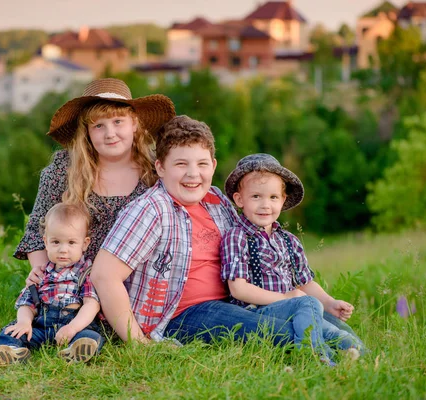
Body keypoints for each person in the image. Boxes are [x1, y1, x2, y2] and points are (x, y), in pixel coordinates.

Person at [90, 116, 297, 346]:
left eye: (202, 164)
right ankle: (335, 349)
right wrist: (138, 343)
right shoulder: (152, 209)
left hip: (234, 303)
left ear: (213, 166)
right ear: (160, 167)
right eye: (181, 164)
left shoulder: (216, 199)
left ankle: (342, 343)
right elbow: (104, 275)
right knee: (278, 331)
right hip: (181, 316)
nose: (193, 174)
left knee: (306, 311)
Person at [14, 78, 175, 286]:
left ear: (134, 123)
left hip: (140, 287)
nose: (110, 134)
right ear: (87, 132)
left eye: (118, 122)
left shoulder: (157, 172)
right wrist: (43, 273)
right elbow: (37, 230)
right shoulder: (64, 170)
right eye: (99, 126)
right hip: (74, 285)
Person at [221, 153, 364, 357]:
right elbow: (238, 289)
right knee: (309, 306)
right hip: (257, 312)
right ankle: (314, 356)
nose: (265, 205)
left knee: (339, 330)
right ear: (239, 199)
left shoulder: (289, 240)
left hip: (298, 307)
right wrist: (285, 298)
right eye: (256, 196)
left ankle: (366, 360)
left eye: (273, 197)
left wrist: (329, 302)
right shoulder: (237, 237)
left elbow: (304, 283)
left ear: (283, 200)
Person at [0, 204, 102, 365]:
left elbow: (91, 305)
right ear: (46, 242)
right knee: (11, 331)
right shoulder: (41, 274)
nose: (63, 249)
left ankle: (76, 351)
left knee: (91, 337)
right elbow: (27, 303)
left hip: (73, 325)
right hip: (42, 327)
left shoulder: (86, 273)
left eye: (71, 242)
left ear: (84, 244)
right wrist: (24, 322)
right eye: (56, 242)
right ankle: (12, 351)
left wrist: (72, 328)